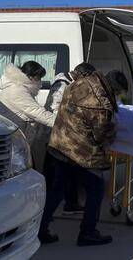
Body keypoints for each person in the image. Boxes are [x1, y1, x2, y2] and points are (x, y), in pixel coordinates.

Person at [39, 70, 127, 247]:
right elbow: (101, 135)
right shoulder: (100, 105)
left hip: (59, 143)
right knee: (96, 188)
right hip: (80, 152)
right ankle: (88, 232)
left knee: (58, 189)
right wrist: (113, 130)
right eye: (118, 93)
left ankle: (40, 229)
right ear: (113, 89)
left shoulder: (80, 83)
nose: (117, 97)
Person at [42, 63, 96, 216]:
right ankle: (47, 209)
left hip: (65, 136)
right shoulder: (61, 85)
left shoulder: (70, 83)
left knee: (68, 173)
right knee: (56, 175)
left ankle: (70, 203)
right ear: (81, 74)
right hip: (56, 136)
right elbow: (52, 108)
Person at [0, 61, 56, 165]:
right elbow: (38, 113)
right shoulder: (17, 90)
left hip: (13, 137)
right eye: (38, 77)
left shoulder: (19, 86)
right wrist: (63, 123)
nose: (40, 82)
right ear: (30, 76)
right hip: (11, 139)